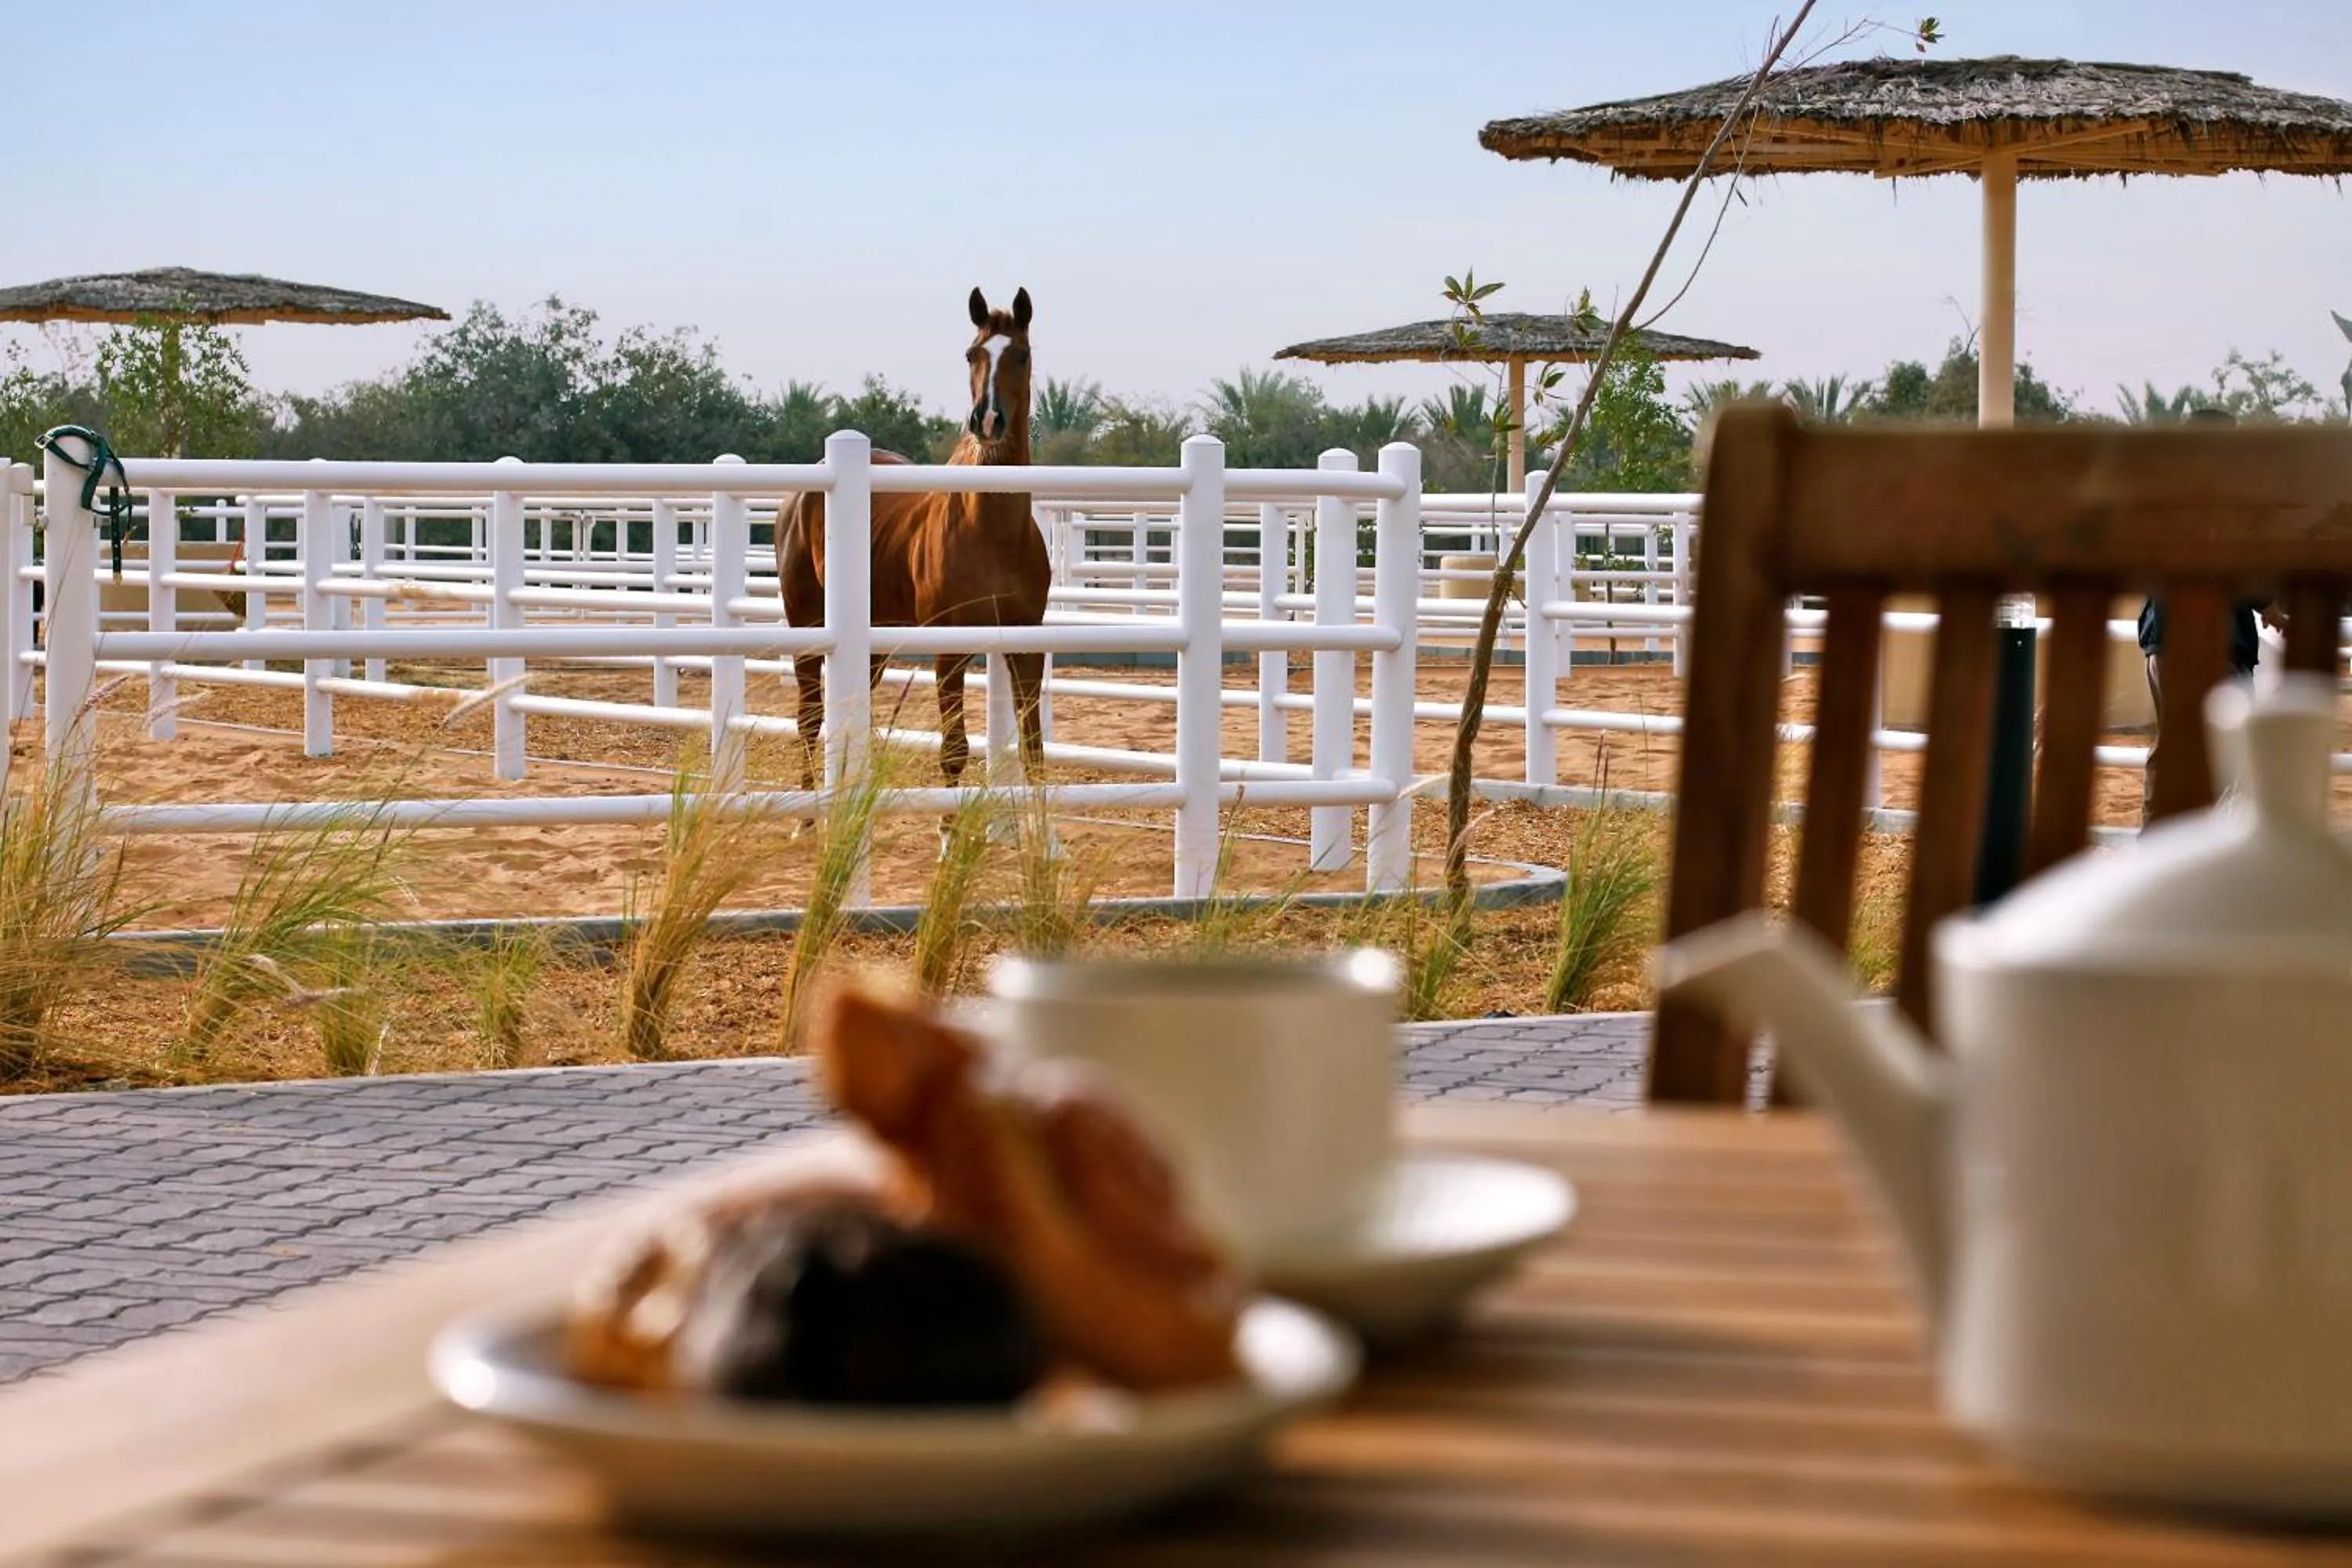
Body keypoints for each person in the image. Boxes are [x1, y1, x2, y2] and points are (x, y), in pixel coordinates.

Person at [2136, 408, 2277, 826]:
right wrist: (2267, 603)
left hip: (2162, 637)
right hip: (2214, 641)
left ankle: (2157, 844)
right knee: (2237, 749)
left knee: (2174, 748)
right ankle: (2225, 844)